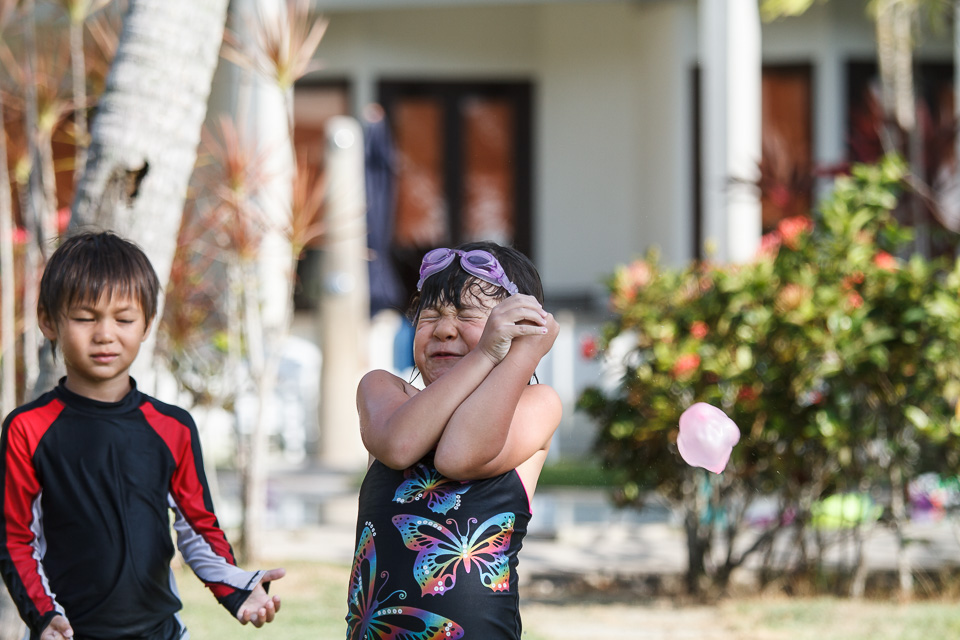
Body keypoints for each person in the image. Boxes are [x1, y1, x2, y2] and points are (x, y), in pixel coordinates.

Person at [0, 231, 284, 640]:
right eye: (85, 318)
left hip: (161, 632)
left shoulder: (173, 426)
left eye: (124, 318)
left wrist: (236, 590)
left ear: (148, 323)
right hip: (66, 633)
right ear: (48, 321)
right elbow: (16, 538)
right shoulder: (27, 428)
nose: (105, 334)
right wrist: (43, 617)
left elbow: (198, 527)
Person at [346, 241, 561, 639]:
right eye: (429, 316)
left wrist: (520, 353)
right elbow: (400, 446)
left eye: (467, 315)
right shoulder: (384, 392)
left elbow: (458, 456)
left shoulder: (536, 404)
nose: (443, 329)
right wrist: (485, 353)